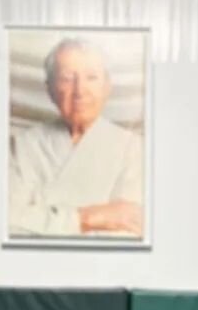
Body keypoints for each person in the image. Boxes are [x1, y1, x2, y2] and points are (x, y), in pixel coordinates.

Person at [8, 37, 144, 239]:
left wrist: (42, 215)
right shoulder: (23, 145)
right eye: (67, 79)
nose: (80, 91)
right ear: (50, 89)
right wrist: (87, 218)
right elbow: (9, 223)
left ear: (107, 87)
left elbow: (129, 231)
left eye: (91, 77)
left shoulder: (132, 148)